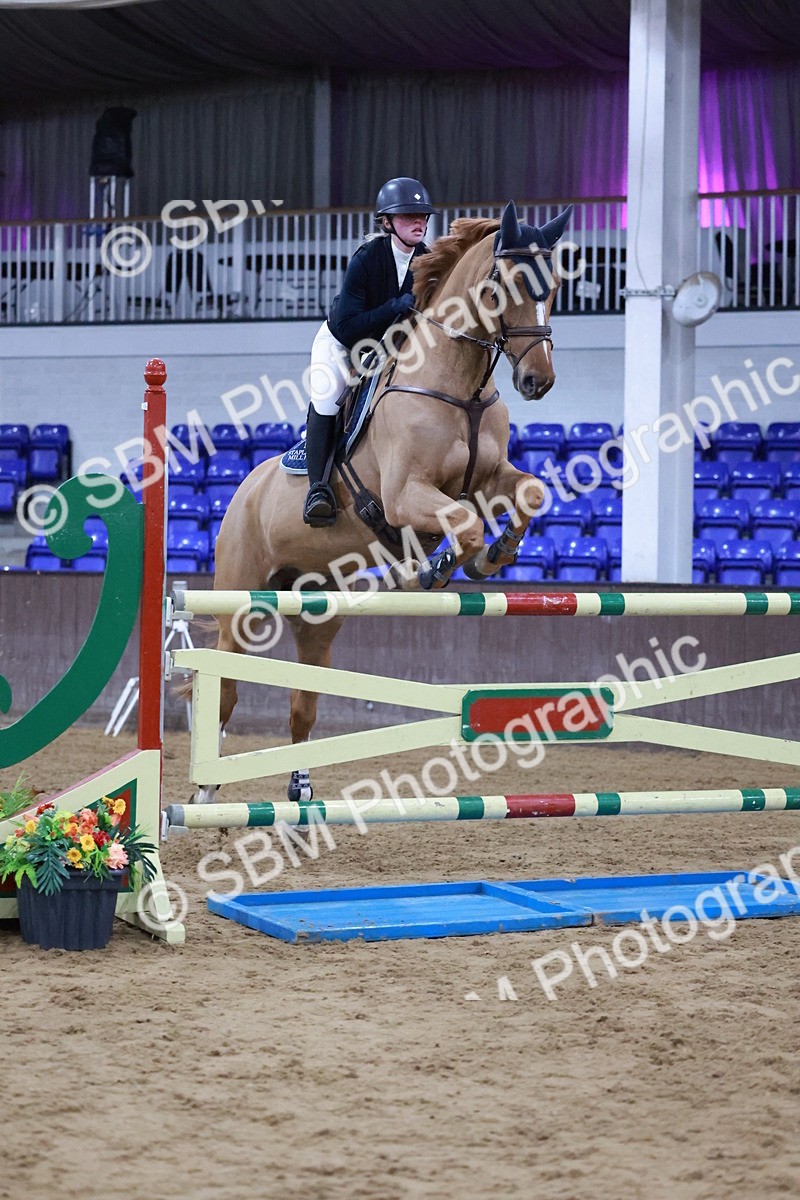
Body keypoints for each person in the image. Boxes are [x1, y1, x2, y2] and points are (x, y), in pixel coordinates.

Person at [302, 176, 436, 526]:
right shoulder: (367, 258)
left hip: (386, 349)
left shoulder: (428, 260)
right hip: (342, 344)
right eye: (408, 216)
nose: (419, 221)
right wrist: (393, 306)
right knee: (329, 398)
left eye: (422, 215)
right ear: (388, 222)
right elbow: (348, 327)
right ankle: (317, 489)